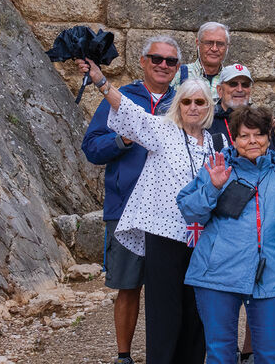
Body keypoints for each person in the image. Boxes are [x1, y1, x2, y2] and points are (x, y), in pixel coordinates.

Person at [80, 57, 216, 364]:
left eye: (199, 102)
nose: (192, 107)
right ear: (178, 106)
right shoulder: (162, 131)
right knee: (165, 311)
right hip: (165, 235)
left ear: (208, 108)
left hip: (201, 238)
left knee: (197, 310)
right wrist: (101, 81)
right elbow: (130, 112)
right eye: (186, 102)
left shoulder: (212, 144)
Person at [178, 106, 275, 364]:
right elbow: (189, 210)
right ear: (234, 139)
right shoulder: (217, 168)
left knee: (271, 354)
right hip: (217, 274)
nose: (252, 142)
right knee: (220, 353)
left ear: (269, 137)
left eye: (258, 135)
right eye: (245, 136)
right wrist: (213, 188)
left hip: (271, 273)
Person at [178, 21, 232, 92]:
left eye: (220, 44)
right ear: (198, 43)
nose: (214, 49)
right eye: (209, 43)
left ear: (227, 46)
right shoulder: (179, 74)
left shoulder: (232, 79)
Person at [212, 64, 255, 147]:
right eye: (233, 84)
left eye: (245, 85)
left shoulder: (259, 121)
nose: (240, 89)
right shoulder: (208, 122)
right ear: (220, 90)